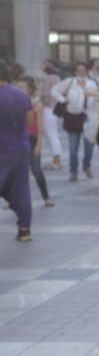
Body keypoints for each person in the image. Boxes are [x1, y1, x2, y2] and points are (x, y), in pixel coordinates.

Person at [51, 61, 99, 181]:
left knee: (89, 145)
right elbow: (54, 90)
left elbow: (97, 98)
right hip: (72, 116)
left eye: (83, 70)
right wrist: (63, 99)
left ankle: (86, 166)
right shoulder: (69, 82)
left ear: (87, 72)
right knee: (73, 147)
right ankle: (73, 171)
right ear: (75, 72)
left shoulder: (92, 84)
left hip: (87, 117)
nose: (81, 73)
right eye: (79, 70)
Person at [0, 61, 32, 242]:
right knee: (20, 188)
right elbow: (30, 121)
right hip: (19, 147)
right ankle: (24, 229)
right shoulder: (21, 95)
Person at [15, 77, 54, 208]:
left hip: (31, 140)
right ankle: (15, 200)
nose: (18, 90)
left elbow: (40, 127)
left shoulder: (37, 106)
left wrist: (38, 145)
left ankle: (46, 197)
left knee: (37, 171)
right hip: (17, 141)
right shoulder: (14, 103)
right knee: (18, 173)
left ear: (30, 90)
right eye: (17, 88)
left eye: (22, 88)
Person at [40, 61, 63, 170]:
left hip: (50, 108)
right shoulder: (53, 77)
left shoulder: (52, 77)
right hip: (50, 108)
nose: (41, 66)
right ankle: (56, 160)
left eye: (43, 64)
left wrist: (41, 94)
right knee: (50, 134)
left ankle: (57, 161)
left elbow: (55, 92)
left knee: (51, 134)